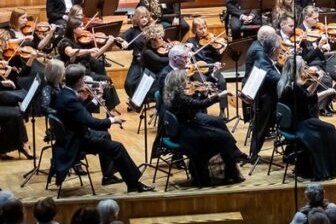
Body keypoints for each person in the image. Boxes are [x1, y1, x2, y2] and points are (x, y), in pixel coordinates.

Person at [52, 63, 152, 192]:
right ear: (79, 80)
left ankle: (108, 175)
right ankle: (134, 184)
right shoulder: (71, 99)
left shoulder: (64, 93)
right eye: (83, 79)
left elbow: (81, 113)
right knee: (117, 147)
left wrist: (96, 99)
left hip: (72, 134)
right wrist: (112, 120)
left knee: (104, 135)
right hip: (77, 140)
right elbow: (92, 123)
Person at [162, 68, 244, 186]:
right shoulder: (180, 98)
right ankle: (231, 174)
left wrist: (202, 95)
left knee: (222, 134)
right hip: (187, 133)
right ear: (178, 83)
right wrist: (220, 95)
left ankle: (229, 171)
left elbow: (193, 106)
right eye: (185, 80)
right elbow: (200, 105)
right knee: (225, 138)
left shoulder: (172, 94)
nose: (187, 82)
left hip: (184, 128)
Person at [278, 56, 336, 179]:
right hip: (300, 124)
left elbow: (306, 96)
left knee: (328, 128)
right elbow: (310, 99)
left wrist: (316, 82)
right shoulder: (293, 88)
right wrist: (327, 92)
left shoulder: (284, 84)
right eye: (302, 68)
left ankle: (333, 167)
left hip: (296, 121)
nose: (304, 71)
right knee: (330, 129)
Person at [247, 33, 282, 162]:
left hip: (269, 100)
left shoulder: (267, 59)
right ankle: (254, 155)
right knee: (260, 129)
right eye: (280, 48)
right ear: (273, 50)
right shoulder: (264, 63)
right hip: (266, 102)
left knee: (260, 128)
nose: (281, 50)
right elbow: (278, 78)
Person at [184, 17, 229, 113]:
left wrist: (222, 49)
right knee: (203, 85)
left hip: (212, 69)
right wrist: (188, 52)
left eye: (205, 27)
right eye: (200, 29)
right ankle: (203, 110)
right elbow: (186, 57)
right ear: (194, 30)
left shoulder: (212, 42)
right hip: (198, 70)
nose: (204, 30)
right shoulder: (190, 42)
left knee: (222, 82)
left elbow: (218, 58)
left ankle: (222, 111)